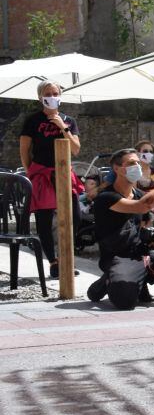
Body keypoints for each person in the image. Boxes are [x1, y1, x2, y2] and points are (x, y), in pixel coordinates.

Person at [87, 150, 154, 309]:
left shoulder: (138, 194)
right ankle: (106, 281)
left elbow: (145, 219)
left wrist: (151, 240)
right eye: (131, 163)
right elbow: (143, 206)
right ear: (116, 168)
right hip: (118, 257)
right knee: (125, 301)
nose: (137, 166)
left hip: (140, 253)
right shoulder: (106, 197)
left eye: (137, 162)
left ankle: (140, 279)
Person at [18, 80, 83, 279]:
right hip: (42, 173)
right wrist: (32, 172)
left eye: (55, 93)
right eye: (48, 93)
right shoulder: (33, 120)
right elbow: (24, 151)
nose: (52, 96)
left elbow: (76, 149)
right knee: (44, 220)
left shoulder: (69, 120)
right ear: (40, 97)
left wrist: (62, 126)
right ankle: (54, 262)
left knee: (75, 217)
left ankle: (66, 259)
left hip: (64, 172)